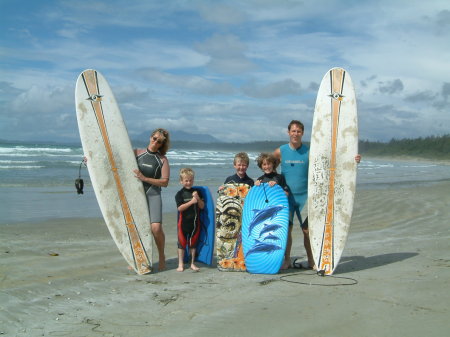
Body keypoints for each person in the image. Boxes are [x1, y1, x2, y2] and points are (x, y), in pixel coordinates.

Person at [274, 120, 361, 270]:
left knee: (307, 231)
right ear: (288, 132)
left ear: (303, 133)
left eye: (298, 131)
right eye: (293, 131)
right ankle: (286, 260)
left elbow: (330, 164)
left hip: (305, 198)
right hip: (286, 198)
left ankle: (312, 260)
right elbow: (269, 168)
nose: (295, 134)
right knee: (286, 230)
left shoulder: (310, 151)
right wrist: (272, 185)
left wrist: (352, 160)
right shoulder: (280, 151)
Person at [134, 128, 171, 271]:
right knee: (137, 227)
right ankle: (139, 258)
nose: (156, 142)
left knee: (156, 228)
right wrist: (91, 160)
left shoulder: (162, 160)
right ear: (150, 137)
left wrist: (145, 178)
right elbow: (116, 162)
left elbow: (165, 182)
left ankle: (161, 255)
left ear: (162, 144)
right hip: (137, 194)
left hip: (153, 194)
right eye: (154, 138)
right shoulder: (136, 153)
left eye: (159, 141)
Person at [175, 168, 205, 272]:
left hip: (195, 223)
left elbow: (202, 206)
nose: (188, 182)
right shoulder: (179, 194)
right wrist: (192, 202)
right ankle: (180, 264)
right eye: (186, 180)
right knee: (181, 244)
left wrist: (198, 198)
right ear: (181, 181)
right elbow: (179, 208)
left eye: (191, 180)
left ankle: (192, 263)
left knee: (193, 244)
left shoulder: (197, 192)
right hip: (183, 223)